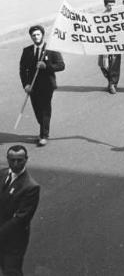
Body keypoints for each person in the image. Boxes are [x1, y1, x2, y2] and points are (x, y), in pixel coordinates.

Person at [19, 25, 65, 146]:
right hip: (33, 86)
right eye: (33, 35)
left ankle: (44, 135)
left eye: (38, 34)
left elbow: (61, 65)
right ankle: (43, 129)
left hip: (47, 85)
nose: (36, 37)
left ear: (42, 35)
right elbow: (23, 70)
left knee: (45, 109)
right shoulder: (27, 51)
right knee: (37, 111)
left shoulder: (51, 49)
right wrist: (26, 85)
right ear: (31, 37)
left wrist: (47, 66)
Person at [0, 145, 40, 276]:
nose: (15, 163)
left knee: (11, 271)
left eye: (19, 160)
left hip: (13, 241)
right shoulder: (2, 174)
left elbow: (21, 219)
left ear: (26, 160)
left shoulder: (30, 187)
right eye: (12, 160)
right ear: (7, 159)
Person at [98, 0, 121, 94]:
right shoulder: (101, 17)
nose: (111, 7)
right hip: (105, 43)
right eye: (109, 5)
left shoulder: (119, 16)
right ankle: (110, 80)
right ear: (105, 5)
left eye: (112, 5)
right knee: (103, 65)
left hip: (116, 44)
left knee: (114, 64)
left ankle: (112, 84)